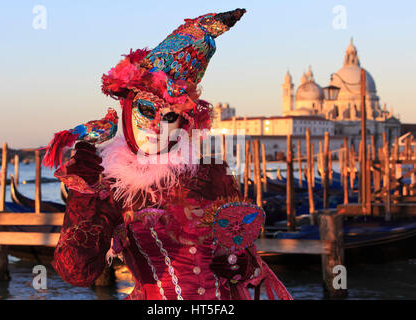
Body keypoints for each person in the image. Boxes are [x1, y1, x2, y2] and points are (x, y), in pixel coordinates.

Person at [46, 8, 292, 300]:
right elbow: (76, 272)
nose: (155, 125)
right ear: (127, 109)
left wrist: (235, 262)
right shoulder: (110, 186)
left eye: (169, 116)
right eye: (147, 110)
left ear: (183, 123)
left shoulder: (214, 173)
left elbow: (247, 265)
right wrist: (84, 193)